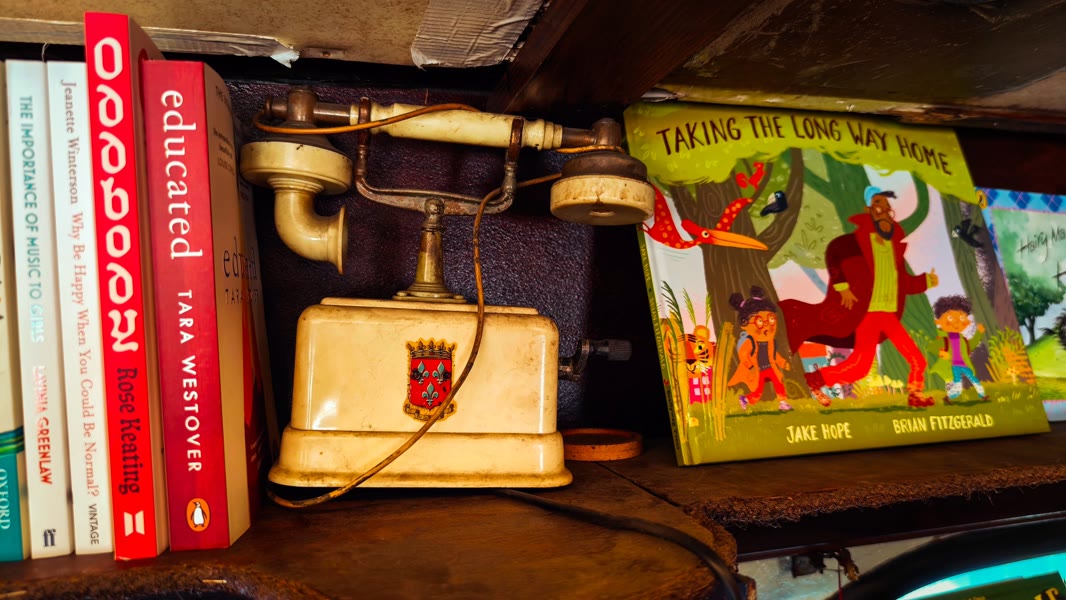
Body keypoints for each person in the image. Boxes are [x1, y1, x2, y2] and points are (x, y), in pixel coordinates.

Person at [779, 186, 939, 408]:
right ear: (868, 209)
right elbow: (835, 254)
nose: (884, 209)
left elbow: (902, 282)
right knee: (859, 367)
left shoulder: (893, 248)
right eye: (878, 204)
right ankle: (813, 381)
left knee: (916, 359)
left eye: (887, 206)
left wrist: (925, 281)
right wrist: (842, 287)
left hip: (888, 314)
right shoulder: (854, 242)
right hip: (869, 314)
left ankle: (915, 394)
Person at [727, 286, 794, 412]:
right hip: (758, 370)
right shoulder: (750, 341)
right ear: (745, 324)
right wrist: (750, 366)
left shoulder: (770, 341)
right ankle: (745, 399)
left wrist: (783, 363)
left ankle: (783, 402)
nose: (767, 326)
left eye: (771, 320)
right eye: (760, 322)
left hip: (770, 367)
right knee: (758, 391)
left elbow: (774, 355)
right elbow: (743, 354)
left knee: (778, 384)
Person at [929, 295, 988, 404]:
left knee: (973, 379)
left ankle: (982, 395)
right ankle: (948, 397)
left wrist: (979, 333)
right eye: (950, 318)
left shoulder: (962, 339)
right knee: (957, 384)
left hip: (963, 364)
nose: (956, 322)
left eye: (961, 318)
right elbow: (932, 346)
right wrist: (941, 352)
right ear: (938, 321)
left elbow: (971, 345)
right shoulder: (941, 337)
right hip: (952, 366)